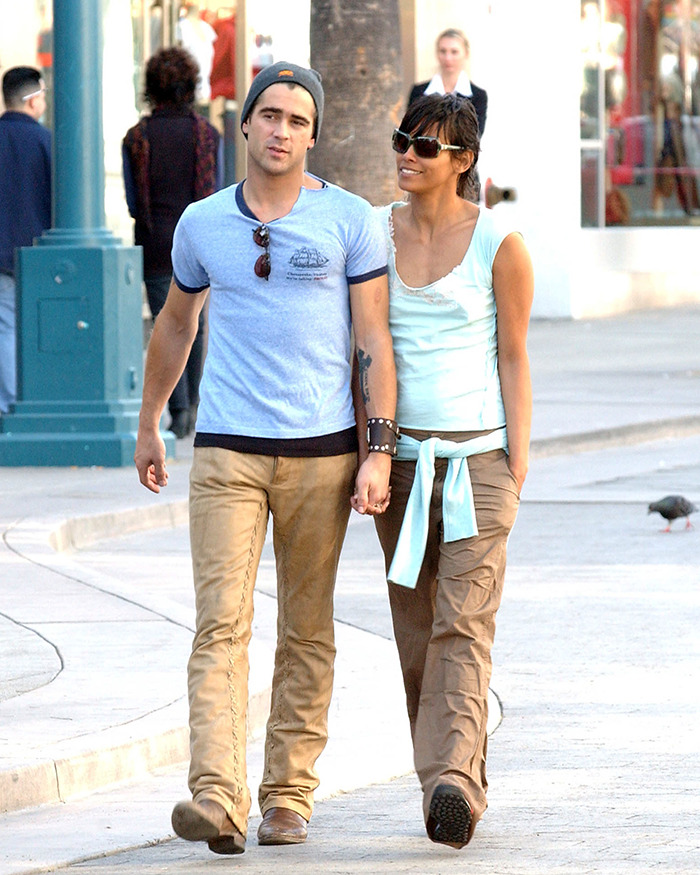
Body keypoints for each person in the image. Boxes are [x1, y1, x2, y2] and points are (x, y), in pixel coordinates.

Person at [134, 61, 396, 856]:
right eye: (271, 114)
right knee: (220, 623)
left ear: (313, 136)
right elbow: (176, 324)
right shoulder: (201, 223)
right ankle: (217, 795)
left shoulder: (349, 219)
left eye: (298, 120)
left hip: (323, 453)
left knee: (306, 629)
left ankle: (288, 795)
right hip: (227, 451)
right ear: (244, 123)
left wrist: (378, 452)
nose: (282, 130)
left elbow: (373, 339)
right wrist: (150, 422)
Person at [372, 93, 533, 849]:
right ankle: (449, 777)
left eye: (425, 146)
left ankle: (454, 784)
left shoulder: (500, 242)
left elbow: (514, 355)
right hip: (400, 468)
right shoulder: (375, 232)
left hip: (479, 464)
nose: (407, 154)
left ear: (462, 159)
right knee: (416, 634)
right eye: (402, 139)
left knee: (462, 626)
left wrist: (517, 462)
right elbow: (365, 346)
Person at [123, 47, 223, 439]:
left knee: (168, 323)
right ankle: (192, 407)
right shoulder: (207, 135)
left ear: (150, 87)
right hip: (200, 241)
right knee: (195, 323)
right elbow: (216, 192)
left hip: (156, 243)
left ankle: (178, 408)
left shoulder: (136, 138)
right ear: (191, 86)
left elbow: (134, 203)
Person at [0, 66, 51, 416]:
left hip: (2, 256)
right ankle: (16, 407)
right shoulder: (47, 141)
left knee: (6, 329)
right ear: (33, 100)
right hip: (35, 256)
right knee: (26, 331)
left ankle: (8, 404)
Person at [408, 28, 488, 137]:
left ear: (466, 53)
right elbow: (411, 131)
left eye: (454, 52)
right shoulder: (418, 91)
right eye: (443, 51)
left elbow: (475, 136)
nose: (448, 58)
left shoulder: (478, 95)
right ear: (437, 53)